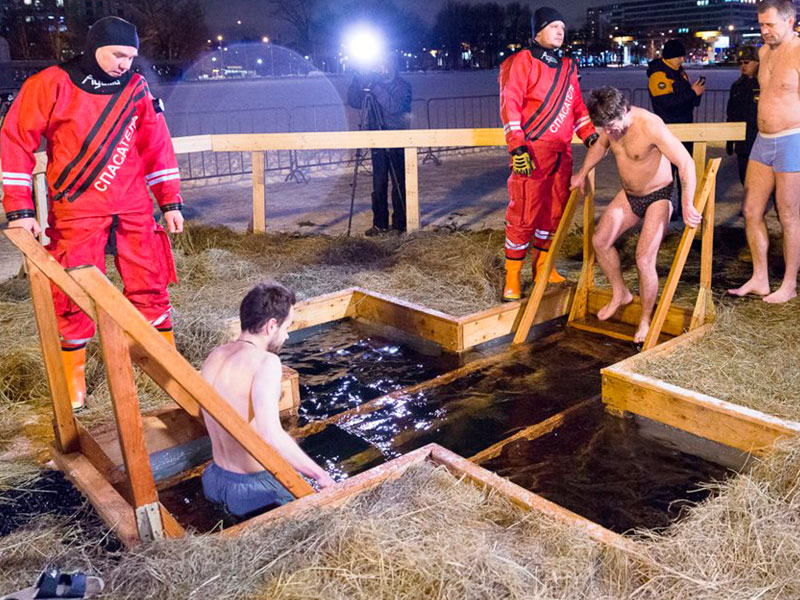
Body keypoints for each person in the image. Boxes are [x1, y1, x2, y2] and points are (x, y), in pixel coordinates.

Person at [1, 17, 183, 411]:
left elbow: (156, 144)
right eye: (118, 55)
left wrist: (170, 201)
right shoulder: (50, 84)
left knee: (151, 282)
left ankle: (164, 366)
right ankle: (74, 378)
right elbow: (15, 141)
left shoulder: (136, 87)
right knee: (73, 293)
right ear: (95, 46)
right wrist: (19, 209)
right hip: (77, 209)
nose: (124, 64)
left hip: (134, 205)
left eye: (130, 57)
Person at [570, 87, 700, 343]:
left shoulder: (650, 125)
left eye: (611, 126)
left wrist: (687, 203)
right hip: (630, 195)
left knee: (643, 259)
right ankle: (621, 292)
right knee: (600, 241)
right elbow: (599, 147)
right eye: (604, 127)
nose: (608, 132)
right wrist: (582, 172)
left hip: (659, 196)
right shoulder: (610, 125)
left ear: (624, 110)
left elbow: (686, 162)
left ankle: (645, 319)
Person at [200, 281, 335, 518]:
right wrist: (321, 476)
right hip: (254, 491)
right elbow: (270, 435)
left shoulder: (215, 355)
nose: (287, 335)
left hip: (214, 480)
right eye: (287, 326)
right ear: (272, 325)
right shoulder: (266, 362)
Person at [498, 7, 598, 301]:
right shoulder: (522, 61)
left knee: (553, 214)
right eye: (554, 26)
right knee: (523, 214)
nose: (560, 32)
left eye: (562, 28)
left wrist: (589, 134)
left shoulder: (568, 66)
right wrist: (517, 145)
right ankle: (512, 277)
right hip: (531, 153)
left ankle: (544, 268)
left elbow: (577, 106)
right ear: (538, 31)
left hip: (561, 154)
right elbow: (510, 104)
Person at [729, 0, 800, 303]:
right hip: (763, 139)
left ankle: (789, 284)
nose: (764, 31)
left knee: (788, 215)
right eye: (760, 25)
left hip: (792, 139)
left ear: (790, 21)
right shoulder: (763, 52)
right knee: (751, 210)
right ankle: (760, 278)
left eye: (770, 24)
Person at [346, 59, 412, 236]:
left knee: (399, 183)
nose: (379, 69)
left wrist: (376, 88)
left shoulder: (402, 86)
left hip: (397, 139)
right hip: (377, 140)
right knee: (379, 184)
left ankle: (399, 224)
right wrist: (357, 81)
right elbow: (354, 101)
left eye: (383, 65)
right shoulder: (373, 86)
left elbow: (395, 107)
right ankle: (379, 224)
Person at [647, 39, 705, 153]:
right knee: (672, 162)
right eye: (679, 57)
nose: (682, 60)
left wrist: (696, 93)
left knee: (685, 161)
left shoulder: (679, 72)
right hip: (670, 128)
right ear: (669, 57)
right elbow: (667, 103)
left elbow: (684, 97)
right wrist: (692, 92)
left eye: (683, 57)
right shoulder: (659, 75)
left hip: (684, 125)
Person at [726, 46, 761, 185]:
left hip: (760, 140)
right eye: (741, 63)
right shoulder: (737, 86)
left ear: (757, 62)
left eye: (747, 62)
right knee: (744, 177)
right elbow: (731, 114)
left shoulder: (764, 85)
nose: (743, 66)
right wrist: (730, 140)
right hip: (742, 142)